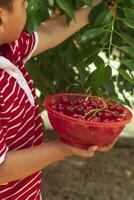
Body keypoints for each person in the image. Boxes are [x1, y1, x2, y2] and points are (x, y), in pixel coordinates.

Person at [0, 0, 116, 199]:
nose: (28, 4)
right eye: (23, 3)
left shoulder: (9, 48)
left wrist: (98, 8)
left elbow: (49, 32)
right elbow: (2, 168)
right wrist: (63, 148)